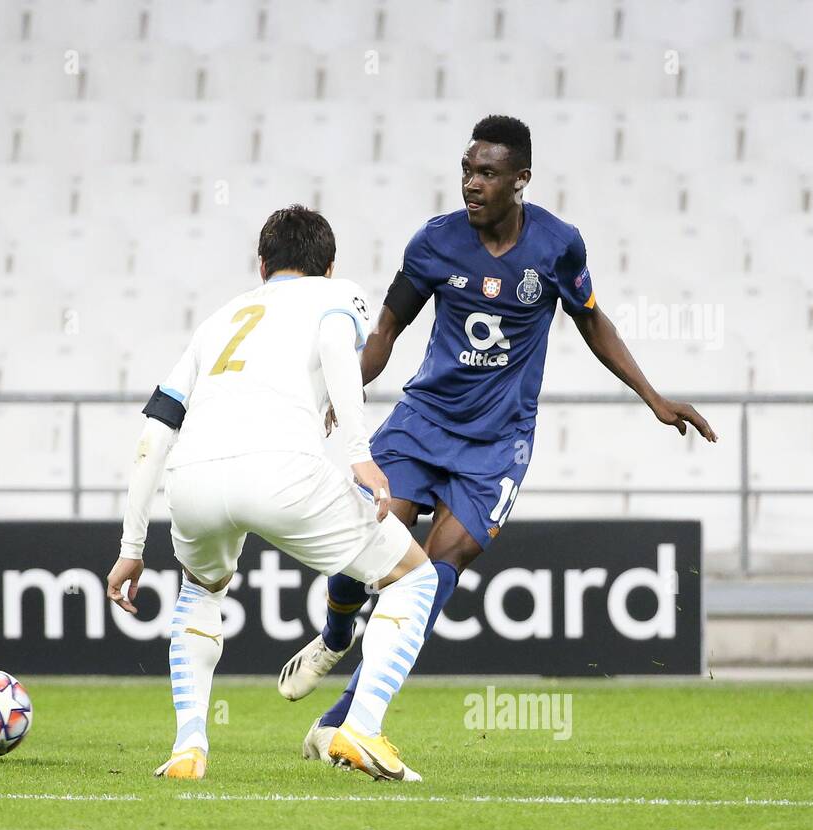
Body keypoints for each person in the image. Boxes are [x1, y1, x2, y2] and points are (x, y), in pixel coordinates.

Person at [279, 116, 719, 764]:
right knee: (367, 540)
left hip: (497, 443)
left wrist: (652, 395)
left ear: (521, 180)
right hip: (424, 419)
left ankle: (348, 715)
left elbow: (593, 322)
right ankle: (337, 632)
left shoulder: (559, 245)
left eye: (486, 173)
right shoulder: (435, 243)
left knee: (434, 572)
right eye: (466, 170)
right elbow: (385, 334)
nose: (471, 184)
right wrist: (340, 396)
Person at [106, 206, 438, 782]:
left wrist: (132, 546)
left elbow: (155, 432)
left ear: (261, 265)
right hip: (283, 468)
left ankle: (190, 746)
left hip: (194, 477)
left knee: (199, 591)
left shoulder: (216, 321)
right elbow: (339, 345)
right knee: (413, 576)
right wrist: (359, 451)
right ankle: (360, 727)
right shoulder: (336, 297)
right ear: (328, 267)